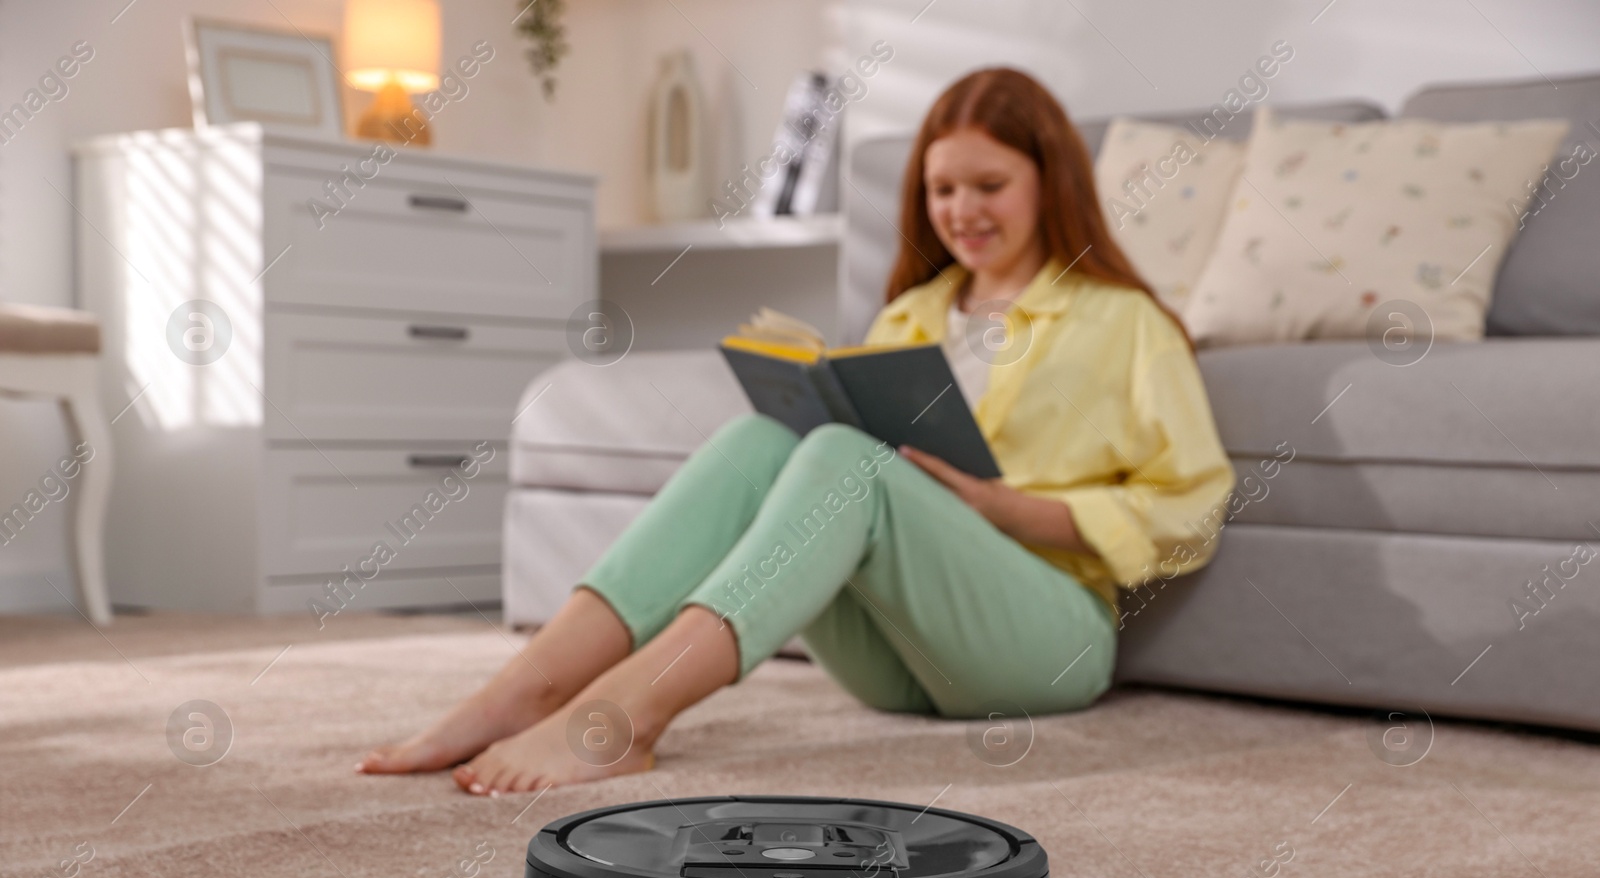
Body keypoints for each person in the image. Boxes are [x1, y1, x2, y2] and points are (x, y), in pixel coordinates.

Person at [358, 67, 1235, 795]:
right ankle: (528, 686)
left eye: (989, 185)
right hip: (898, 661)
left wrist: (1001, 508)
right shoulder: (907, 318)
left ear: (1051, 182)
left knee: (845, 458)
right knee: (760, 443)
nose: (962, 209)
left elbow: (1191, 507)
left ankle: (624, 713)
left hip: (1044, 640)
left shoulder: (1125, 324)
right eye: (941, 188)